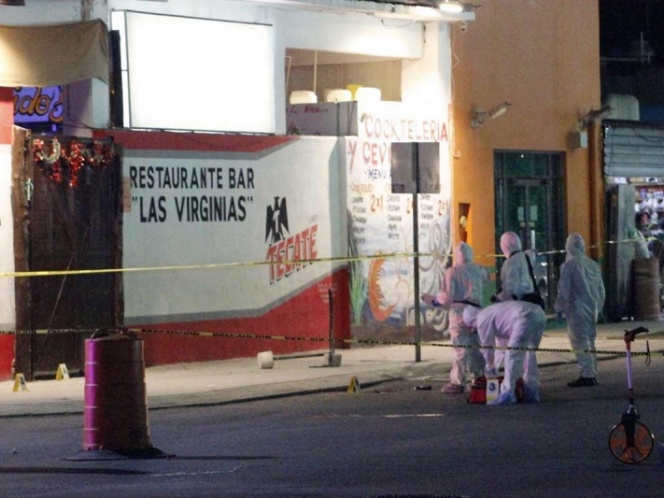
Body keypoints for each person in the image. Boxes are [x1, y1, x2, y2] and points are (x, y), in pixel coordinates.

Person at [421, 242, 489, 395]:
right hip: (477, 313)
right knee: (475, 347)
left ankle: (458, 382)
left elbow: (446, 297)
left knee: (459, 349)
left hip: (459, 313)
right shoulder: (478, 269)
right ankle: (479, 377)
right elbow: (487, 278)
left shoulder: (452, 272)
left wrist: (434, 300)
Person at [463, 300, 546, 405]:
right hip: (539, 313)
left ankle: (508, 393)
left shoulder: (482, 319)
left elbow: (487, 347)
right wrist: (495, 366)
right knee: (529, 354)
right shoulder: (492, 312)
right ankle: (531, 390)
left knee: (512, 355)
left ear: (471, 320)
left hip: (523, 317)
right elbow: (501, 347)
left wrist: (490, 367)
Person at [554, 233, 606, 387]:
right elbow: (601, 290)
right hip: (592, 308)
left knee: (579, 341)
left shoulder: (570, 266)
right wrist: (598, 307)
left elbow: (564, 290)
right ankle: (592, 371)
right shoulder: (593, 265)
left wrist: (559, 308)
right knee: (590, 340)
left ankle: (587, 374)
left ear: (569, 246)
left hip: (576, 309)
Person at [493, 231, 537, 304]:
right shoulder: (527, 257)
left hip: (520, 305)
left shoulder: (510, 263)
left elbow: (511, 289)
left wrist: (499, 297)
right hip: (533, 301)